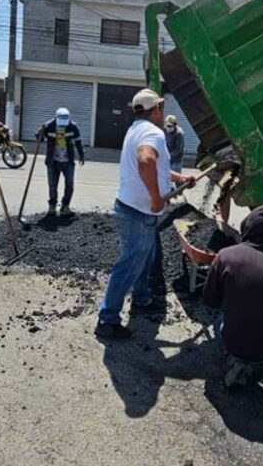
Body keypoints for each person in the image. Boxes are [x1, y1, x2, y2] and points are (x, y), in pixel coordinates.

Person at [95, 89, 195, 339]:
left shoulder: (136, 127)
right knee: (128, 264)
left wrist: (179, 177)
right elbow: (146, 161)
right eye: (161, 107)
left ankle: (141, 299)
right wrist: (154, 197)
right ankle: (107, 320)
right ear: (157, 109)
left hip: (133, 208)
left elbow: (158, 166)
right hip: (138, 211)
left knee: (145, 258)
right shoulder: (153, 132)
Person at [203, 206, 263, 388]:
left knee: (221, 316)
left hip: (234, 344)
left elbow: (210, 300)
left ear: (246, 228)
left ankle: (236, 361)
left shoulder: (225, 256)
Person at [37, 107, 85, 217]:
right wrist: (39, 133)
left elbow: (78, 141)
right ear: (56, 118)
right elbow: (39, 137)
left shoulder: (73, 126)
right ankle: (52, 206)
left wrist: (81, 155)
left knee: (70, 185)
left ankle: (65, 206)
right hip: (53, 161)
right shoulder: (48, 126)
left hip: (68, 161)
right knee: (52, 185)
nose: (63, 125)